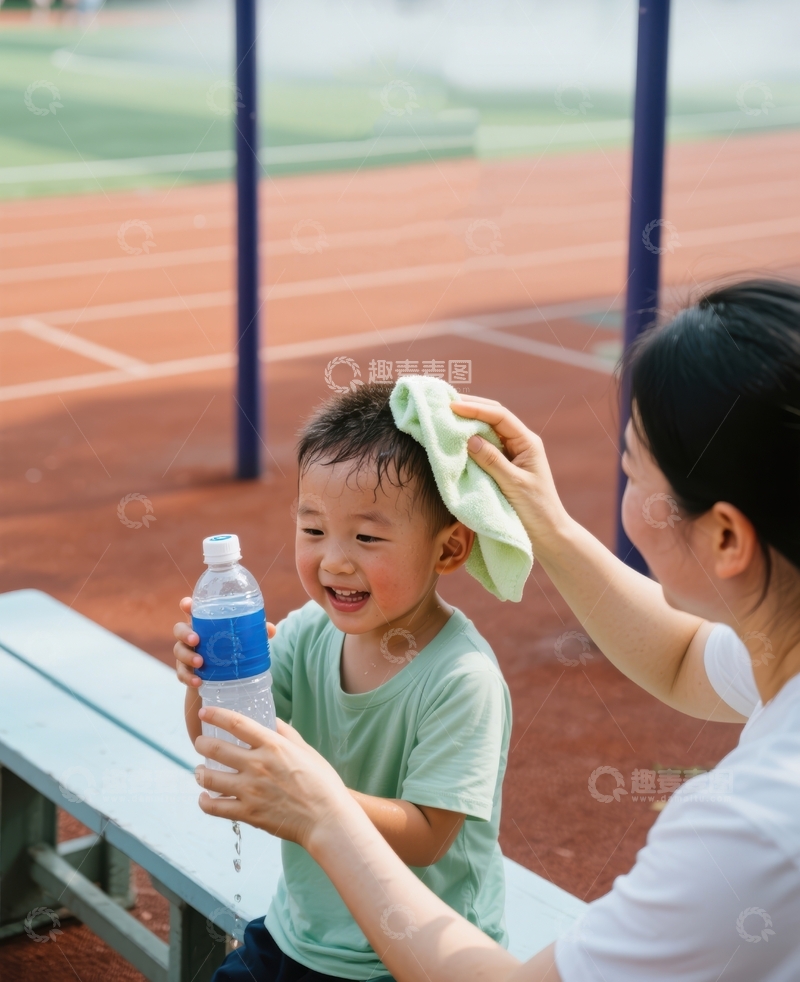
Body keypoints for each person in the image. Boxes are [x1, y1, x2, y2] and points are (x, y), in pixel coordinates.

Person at [193, 278, 800, 981]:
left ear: (726, 535)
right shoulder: (776, 660)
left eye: (633, 469)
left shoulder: (753, 826)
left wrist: (324, 811)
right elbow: (685, 656)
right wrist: (546, 522)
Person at [174, 383, 513, 982]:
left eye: (368, 537)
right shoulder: (307, 633)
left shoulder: (462, 679)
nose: (334, 560)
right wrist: (205, 682)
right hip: (297, 935)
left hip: (408, 958)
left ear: (450, 548)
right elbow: (226, 738)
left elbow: (428, 838)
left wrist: (312, 799)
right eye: (313, 530)